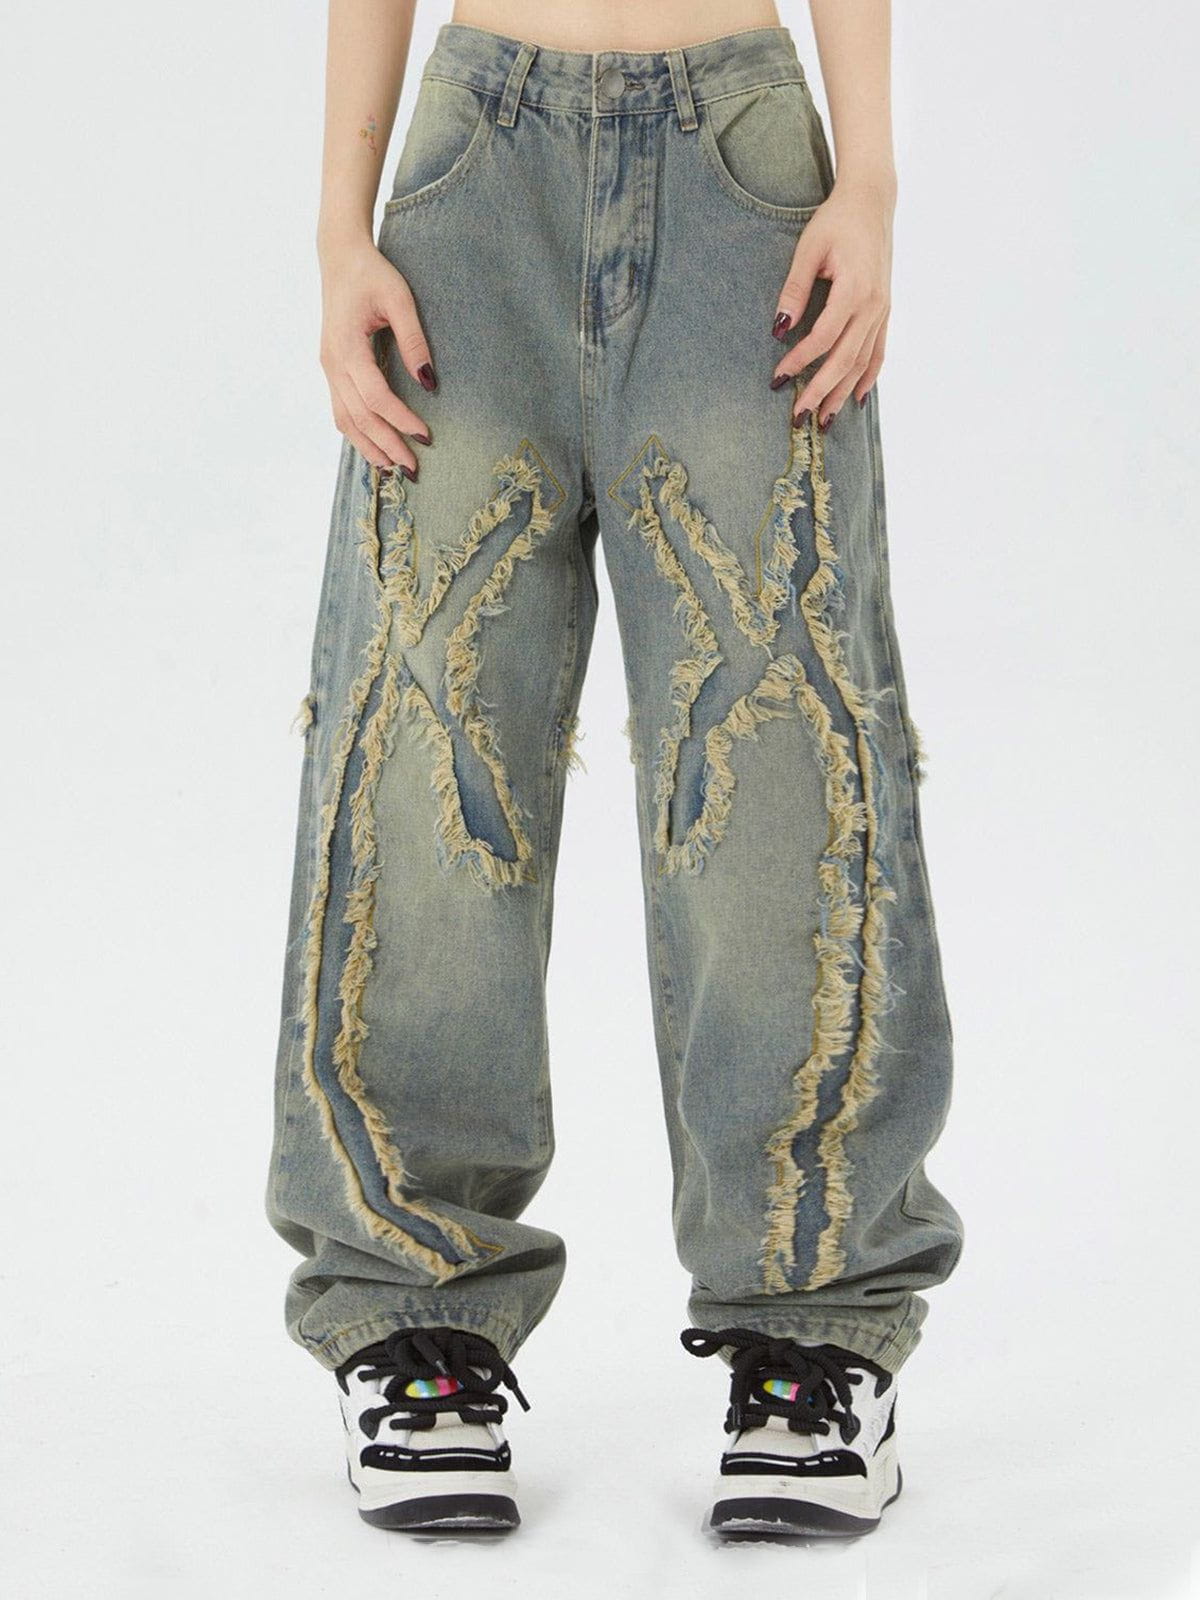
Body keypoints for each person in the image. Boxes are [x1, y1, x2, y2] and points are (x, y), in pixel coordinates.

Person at [264, 0, 965, 1541]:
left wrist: (868, 184)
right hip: (472, 182)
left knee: (775, 754)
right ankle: (413, 1319)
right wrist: (338, 232)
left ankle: (814, 1331)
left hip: (747, 183)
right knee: (429, 742)